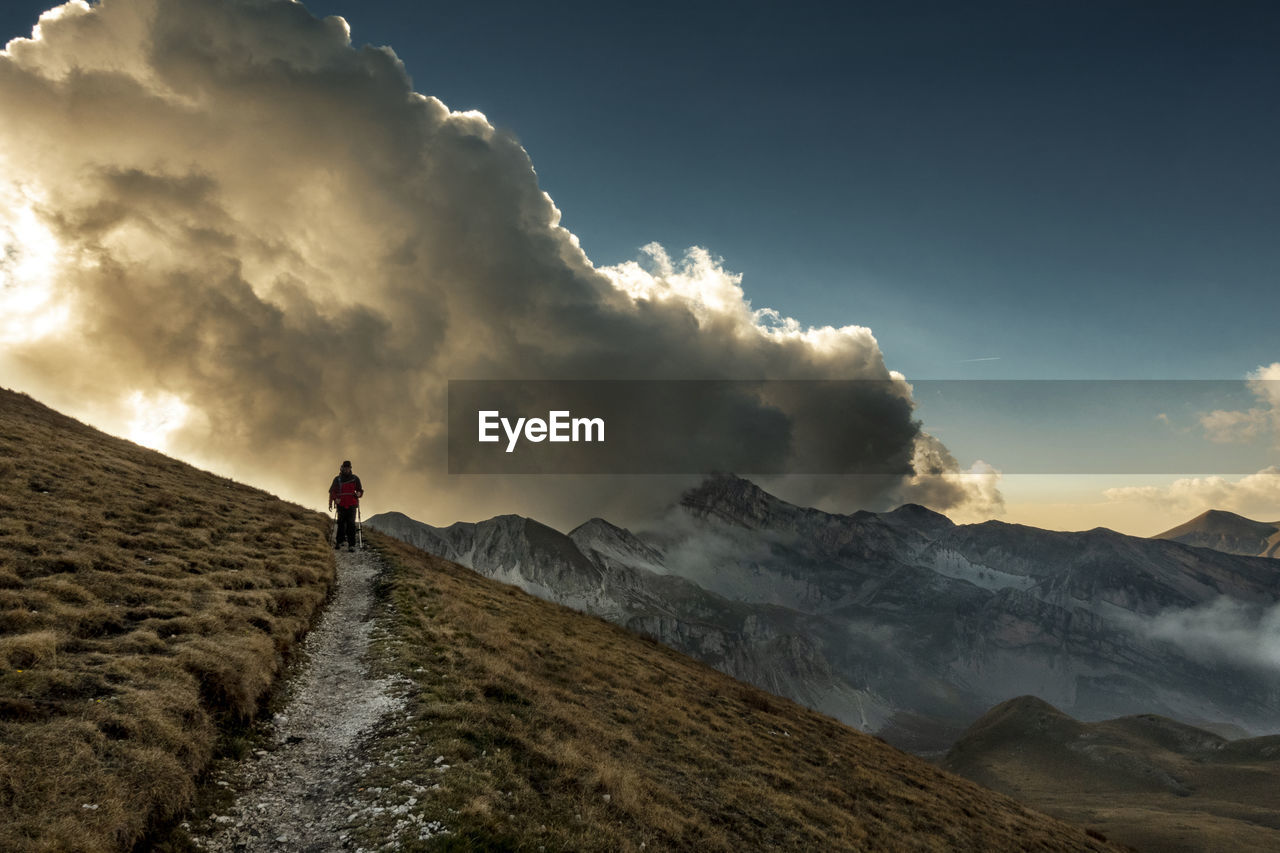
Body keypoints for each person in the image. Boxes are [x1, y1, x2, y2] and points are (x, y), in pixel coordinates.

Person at [328, 460, 364, 551]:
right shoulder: (337, 479)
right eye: (345, 468)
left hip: (352, 505)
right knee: (341, 523)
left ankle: (351, 545)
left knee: (351, 524)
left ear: (350, 468)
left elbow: (360, 490)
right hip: (341, 505)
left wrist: (359, 494)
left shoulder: (355, 479)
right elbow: (332, 491)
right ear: (342, 468)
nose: (347, 469)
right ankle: (339, 542)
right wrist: (335, 499)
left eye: (348, 468)